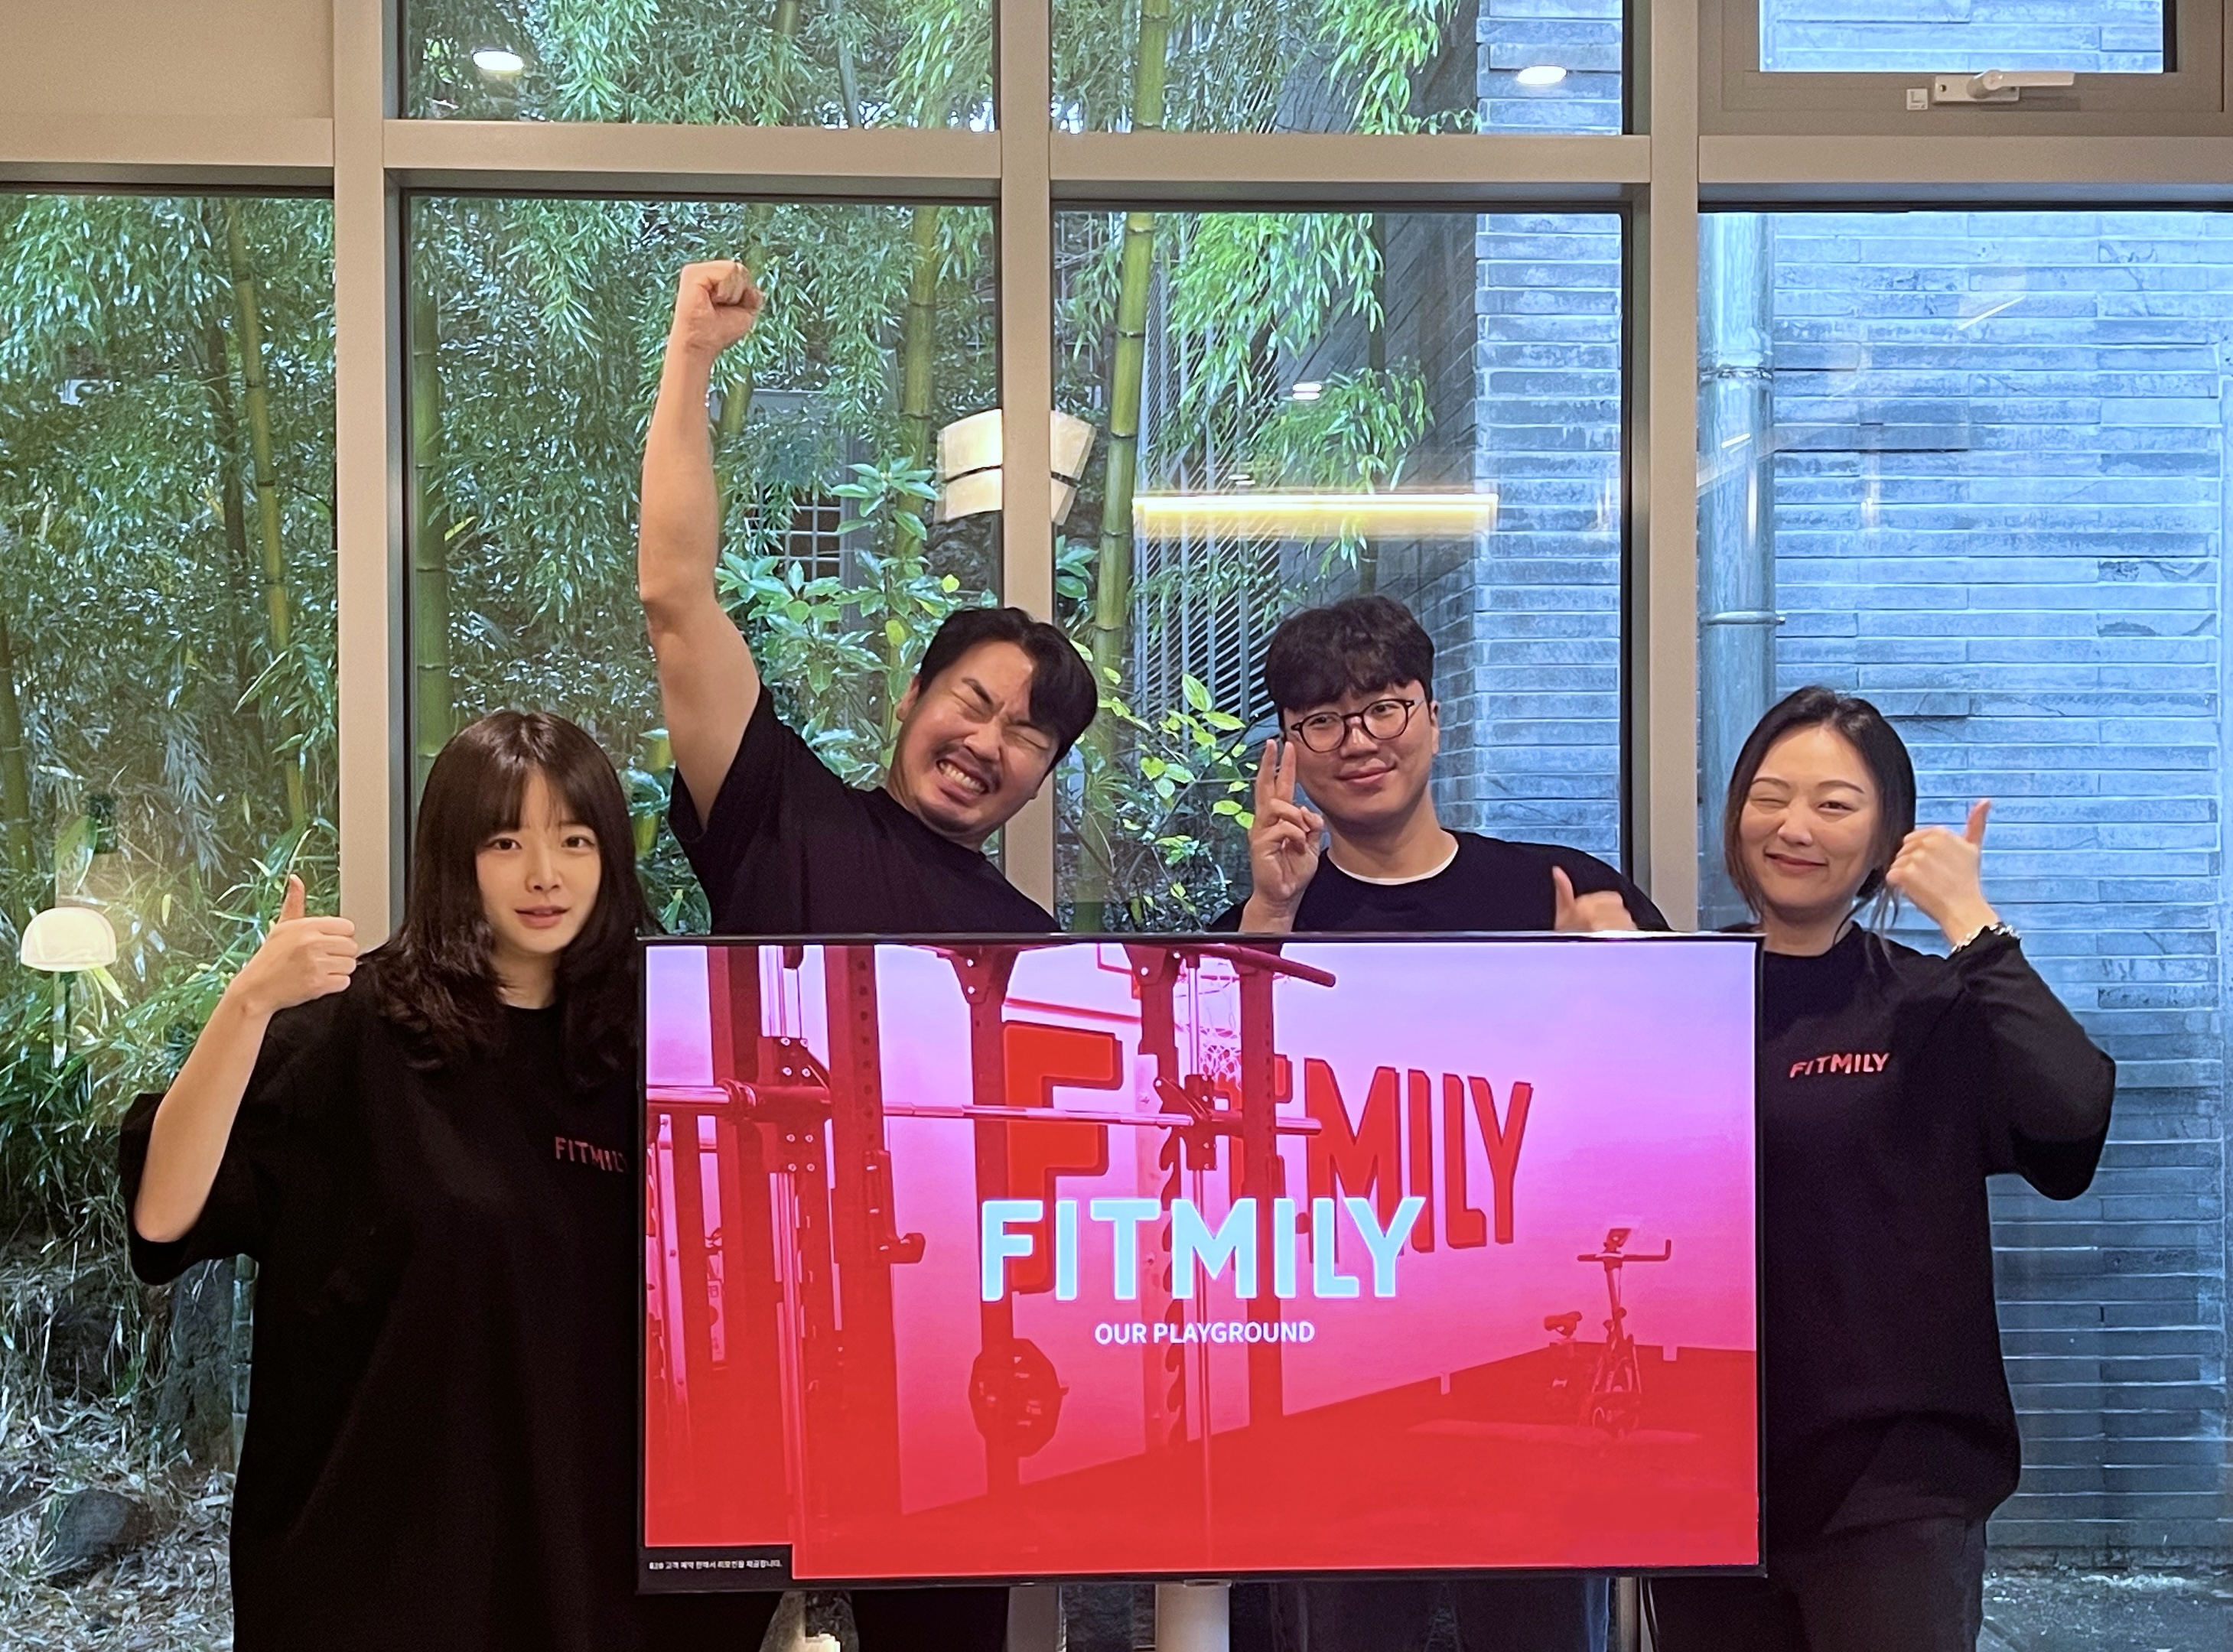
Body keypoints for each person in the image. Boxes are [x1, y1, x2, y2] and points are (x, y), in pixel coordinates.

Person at [640, 259, 1098, 1647]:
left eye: (1028, 734)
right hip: (731, 1341)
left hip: (940, 1382)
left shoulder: (1032, 952)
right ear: (912, 695)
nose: (988, 741)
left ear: (1043, 773)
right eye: (973, 699)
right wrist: (690, 356)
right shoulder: (781, 813)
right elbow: (675, 596)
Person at [122, 714, 772, 1650]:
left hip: (599, 1578)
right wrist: (249, 1003)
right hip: (386, 1577)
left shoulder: (658, 1049)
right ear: (453, 857)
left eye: (574, 840)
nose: (544, 874)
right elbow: (161, 1216)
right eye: (506, 842)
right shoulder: (357, 1031)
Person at [1216, 593, 1660, 1652]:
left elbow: (1663, 1099)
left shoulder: (1557, 890)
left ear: (1433, 715)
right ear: (1290, 747)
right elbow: (1211, 1116)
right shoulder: (1272, 912)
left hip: (1533, 1366)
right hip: (1333, 1376)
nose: (1358, 740)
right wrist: (1269, 916)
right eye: (1323, 720)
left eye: (1384, 707)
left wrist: (1620, 982)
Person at [1649, 687, 2115, 1652]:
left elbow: (2073, 1122)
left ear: (1885, 839)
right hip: (1703, 1473)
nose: (1795, 827)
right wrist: (1586, 992)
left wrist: (1973, 924)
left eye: (1834, 804)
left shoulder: (1928, 1001)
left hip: (1898, 1485)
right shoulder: (1675, 994)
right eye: (1770, 797)